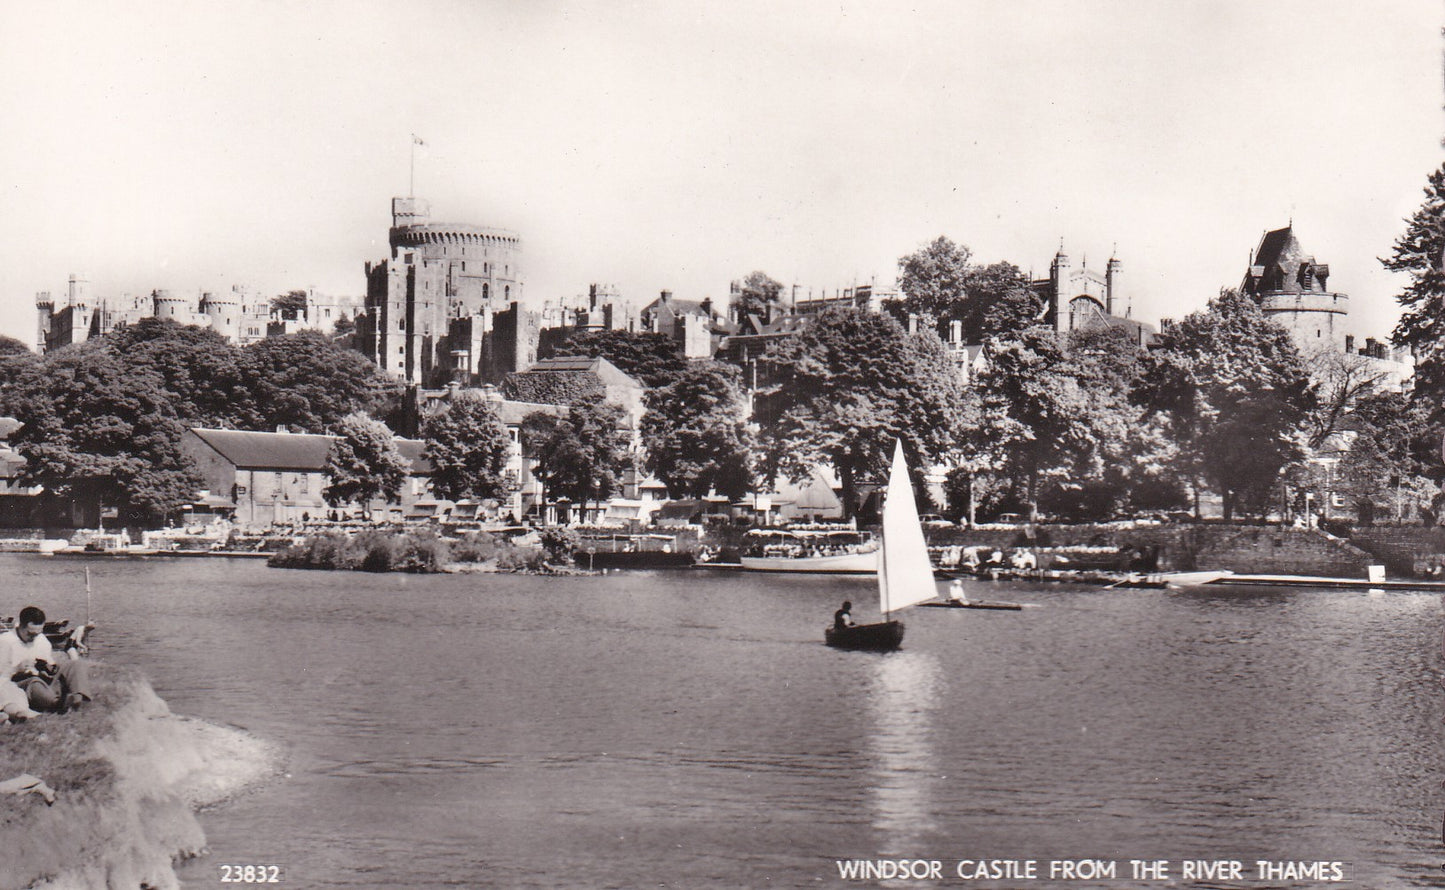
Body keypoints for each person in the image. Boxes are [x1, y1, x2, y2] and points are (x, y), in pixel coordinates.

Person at [0, 607, 92, 718]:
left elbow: (51, 665)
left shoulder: (41, 639)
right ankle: (57, 704)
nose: (34, 637)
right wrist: (17, 669)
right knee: (34, 682)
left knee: (76, 664)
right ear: (20, 626)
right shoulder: (5, 641)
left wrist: (49, 667)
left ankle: (77, 699)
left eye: (37, 633)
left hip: (43, 678)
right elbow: (2, 678)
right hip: (20, 683)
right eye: (31, 634)